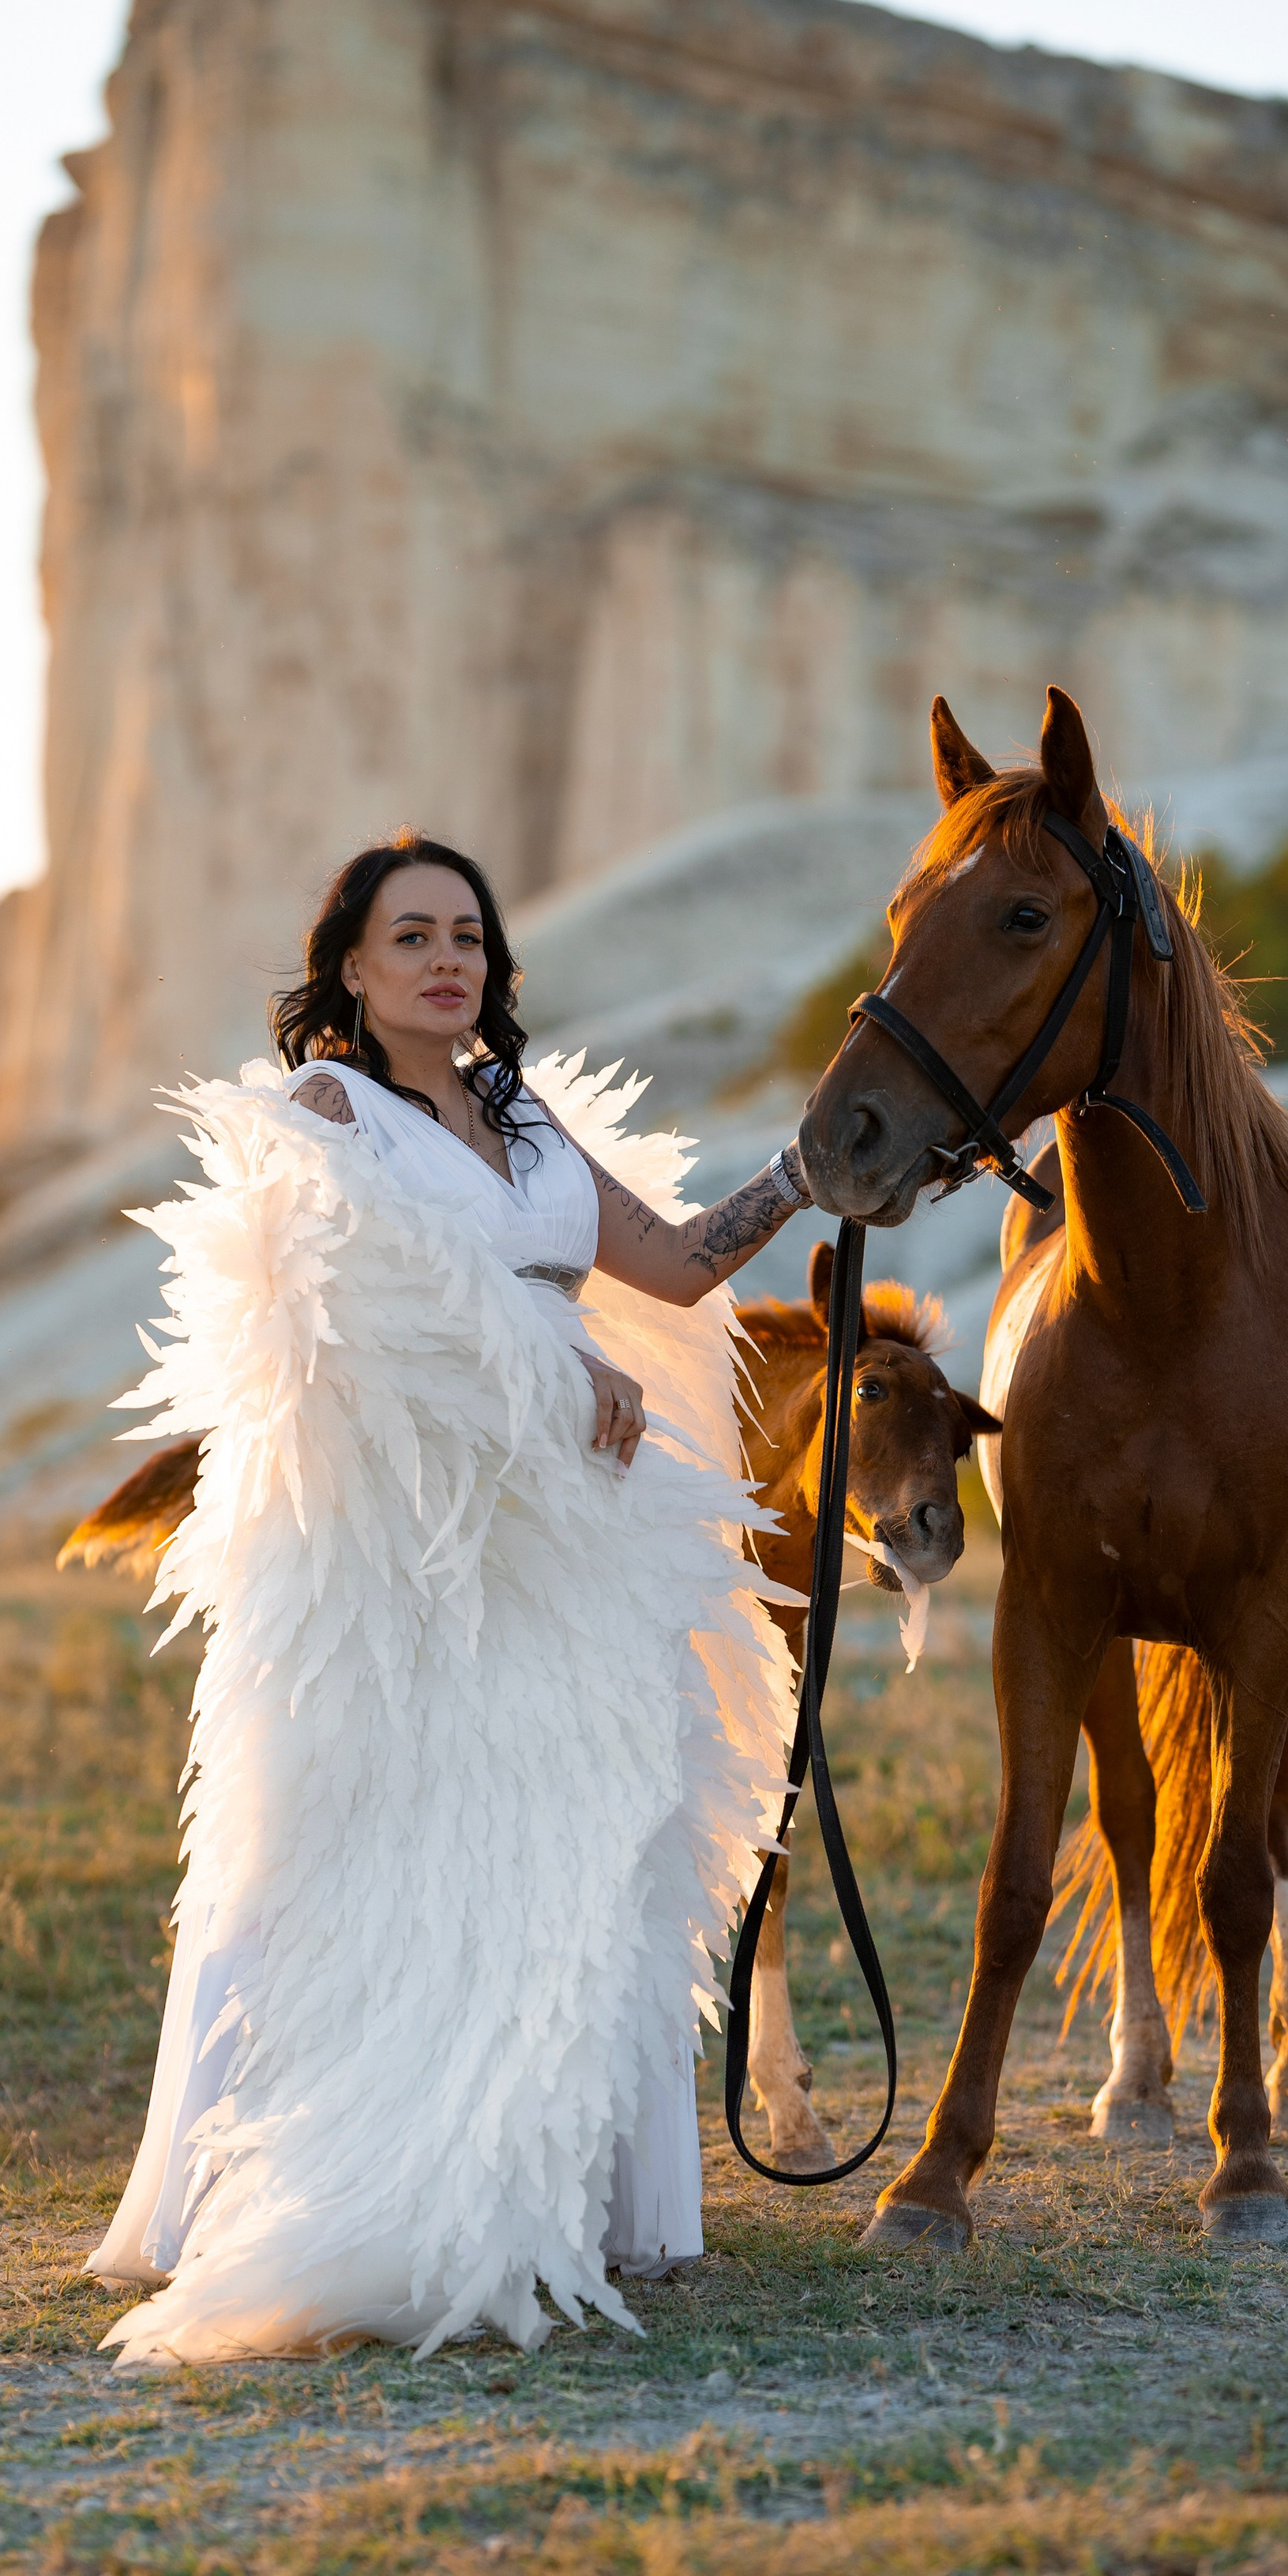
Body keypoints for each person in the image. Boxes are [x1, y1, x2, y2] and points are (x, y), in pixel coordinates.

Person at [86, 830, 816, 2365]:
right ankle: (298, 2175)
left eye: (469, 938)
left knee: (579, 1833)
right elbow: (364, 1307)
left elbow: (677, 1270)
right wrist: (553, 1360)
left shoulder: (528, 1125)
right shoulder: (327, 1112)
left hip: (570, 1532)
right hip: (413, 1550)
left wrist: (809, 1175)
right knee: (376, 1849)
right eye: (411, 935)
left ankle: (571, 2179)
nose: (446, 960)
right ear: (349, 969)